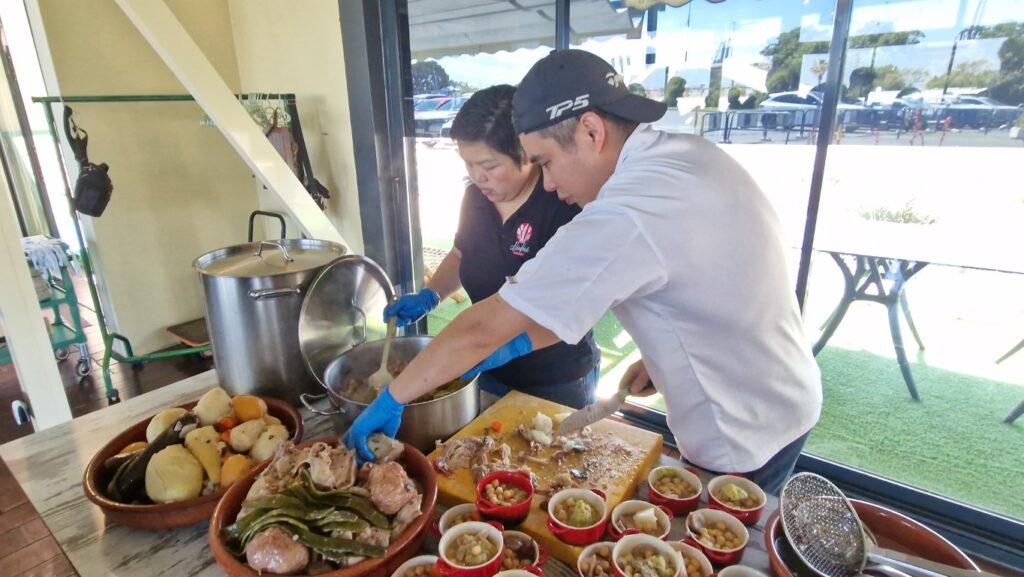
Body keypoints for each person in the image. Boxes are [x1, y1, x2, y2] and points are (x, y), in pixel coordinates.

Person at [345, 50, 822, 494]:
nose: (550, 183)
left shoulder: (627, 209)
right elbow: (711, 277)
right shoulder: (684, 154)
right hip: (779, 393)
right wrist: (667, 354)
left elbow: (484, 327)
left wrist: (393, 397)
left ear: (592, 131)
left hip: (740, 429)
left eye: (547, 162)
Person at [385, 85, 600, 409]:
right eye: (468, 164)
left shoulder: (563, 202)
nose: (477, 176)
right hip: (485, 367)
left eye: (489, 166)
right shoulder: (475, 197)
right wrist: (430, 296)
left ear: (526, 153)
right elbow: (461, 253)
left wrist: (513, 345)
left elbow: (577, 303)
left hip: (556, 380)